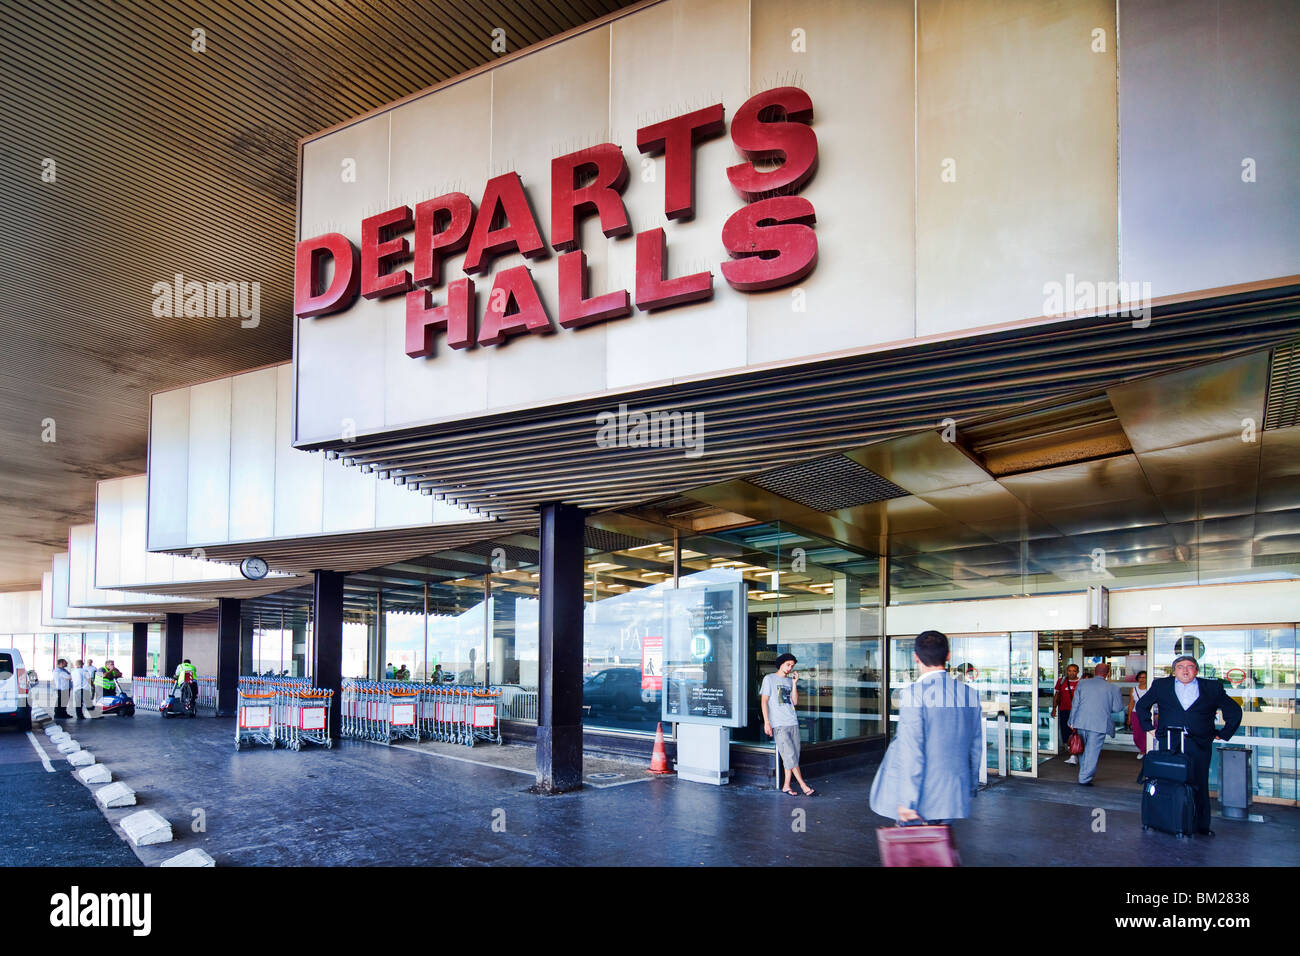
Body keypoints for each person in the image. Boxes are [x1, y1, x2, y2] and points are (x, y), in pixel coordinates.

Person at [869, 630, 983, 824]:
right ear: (947, 656)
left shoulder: (915, 694)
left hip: (921, 800)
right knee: (939, 848)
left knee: (918, 851)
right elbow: (975, 746)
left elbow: (912, 750)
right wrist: (969, 787)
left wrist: (907, 800)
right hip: (953, 795)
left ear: (915, 658)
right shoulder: (969, 694)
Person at [1135, 655, 1242, 836]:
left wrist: (1223, 734)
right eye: (1180, 667)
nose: (1185, 670)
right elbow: (1142, 705)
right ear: (1174, 670)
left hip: (1198, 743)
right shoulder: (1162, 686)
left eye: (1190, 667)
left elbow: (1234, 711)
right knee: (1167, 781)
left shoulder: (1211, 687)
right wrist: (1149, 728)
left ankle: (1200, 826)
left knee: (1199, 782)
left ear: (1196, 671)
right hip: (1170, 742)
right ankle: (1167, 821)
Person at [761, 653, 816, 796]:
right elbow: (764, 701)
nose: (790, 668)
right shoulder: (769, 679)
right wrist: (767, 722)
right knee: (790, 755)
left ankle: (786, 785)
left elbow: (795, 702)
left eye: (792, 666)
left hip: (792, 722)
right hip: (779, 724)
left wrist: (794, 683)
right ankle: (803, 785)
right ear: (781, 663)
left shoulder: (788, 681)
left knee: (792, 756)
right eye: (788, 665)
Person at [1068, 662, 1124, 785]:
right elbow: (1118, 708)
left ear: (1094, 672)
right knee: (1092, 752)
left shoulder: (1082, 683)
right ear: (1108, 674)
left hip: (1081, 721)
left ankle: (1084, 773)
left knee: (1082, 749)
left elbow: (1075, 704)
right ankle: (1084, 778)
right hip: (1100, 723)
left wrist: (1071, 721)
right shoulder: (1114, 688)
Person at [1050, 663, 1080, 765]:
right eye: (1069, 670)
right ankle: (1072, 754)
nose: (1071, 673)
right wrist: (1054, 708)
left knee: (1076, 733)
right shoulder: (1061, 681)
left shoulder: (1081, 683)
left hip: (1077, 712)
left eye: (1074, 671)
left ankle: (1074, 754)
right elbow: (1057, 696)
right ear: (1067, 671)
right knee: (1066, 733)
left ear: (1078, 672)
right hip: (1064, 710)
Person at [1127, 670, 1150, 759]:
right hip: (1136, 714)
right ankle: (1142, 749)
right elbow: (1131, 703)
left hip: (1148, 714)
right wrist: (1129, 716)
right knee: (1137, 734)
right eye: (1140, 677)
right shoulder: (1134, 689)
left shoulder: (1150, 688)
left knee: (1146, 733)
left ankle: (1146, 750)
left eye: (1144, 677)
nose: (1142, 679)